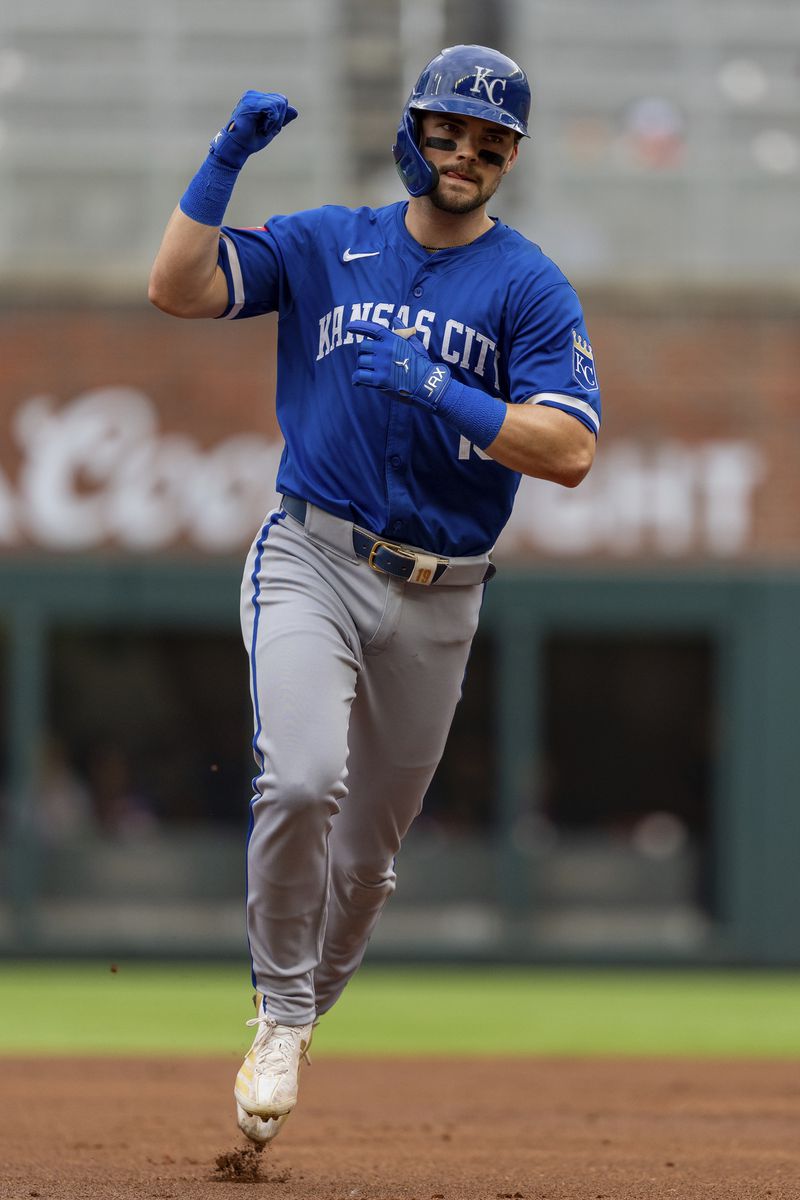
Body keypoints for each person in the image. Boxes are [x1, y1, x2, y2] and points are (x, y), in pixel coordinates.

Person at [149, 44, 601, 1144]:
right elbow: (177, 288)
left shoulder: (526, 282)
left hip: (440, 594)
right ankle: (279, 1011)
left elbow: (571, 447)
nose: (465, 153)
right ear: (411, 131)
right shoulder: (325, 241)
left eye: (489, 140)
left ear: (507, 158)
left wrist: (447, 390)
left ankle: (299, 1020)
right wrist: (221, 164)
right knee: (300, 780)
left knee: (366, 861)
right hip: (313, 551)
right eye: (447, 130)